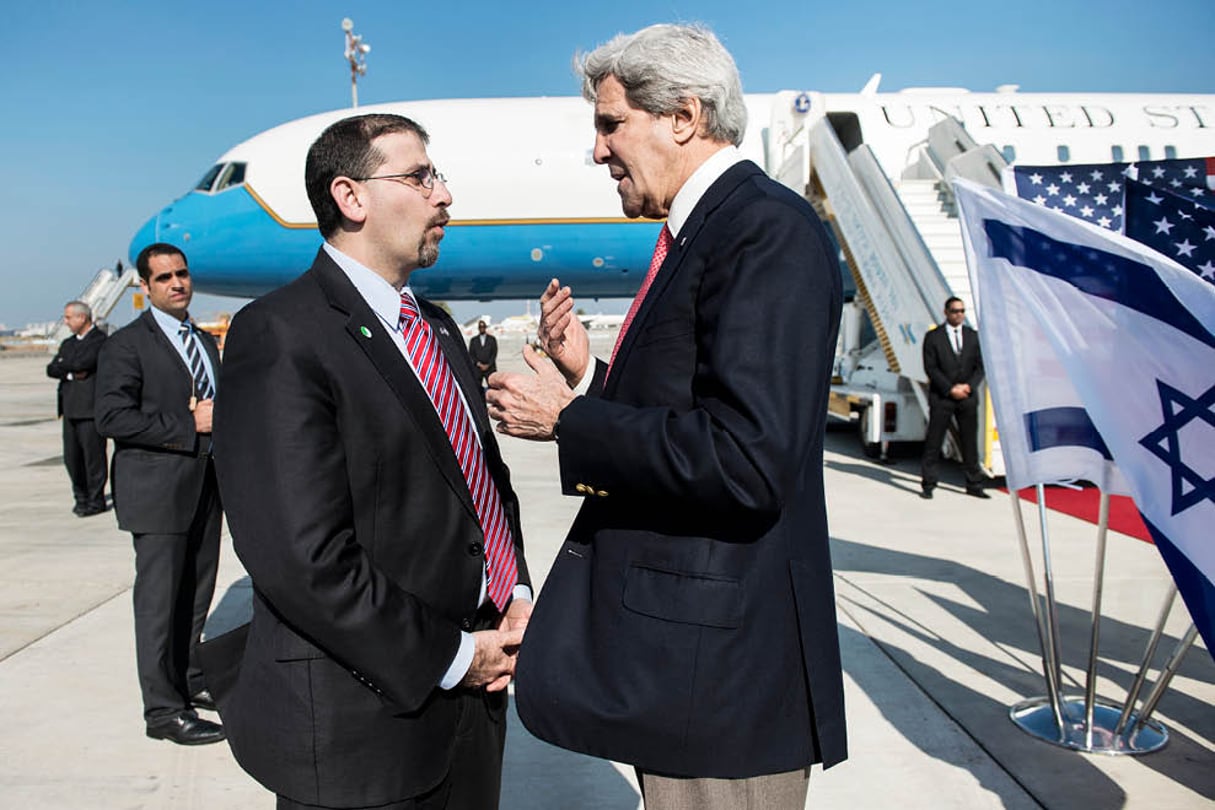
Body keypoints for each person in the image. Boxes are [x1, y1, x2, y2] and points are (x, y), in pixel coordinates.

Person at [486, 23, 846, 810]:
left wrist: (569, 423)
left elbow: (746, 460)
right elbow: (696, 407)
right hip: (690, 667)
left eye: (610, 123)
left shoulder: (763, 231)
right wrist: (590, 378)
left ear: (683, 116)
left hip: (722, 680)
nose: (597, 150)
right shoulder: (708, 231)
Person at [212, 113, 531, 810]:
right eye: (419, 176)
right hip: (361, 727)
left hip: (472, 712)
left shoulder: (438, 328)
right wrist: (454, 658)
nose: (443, 194)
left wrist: (514, 597)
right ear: (351, 197)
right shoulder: (281, 333)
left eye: (437, 176)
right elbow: (302, 558)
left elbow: (485, 489)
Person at [95, 243, 225, 745]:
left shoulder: (204, 341)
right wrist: (186, 424)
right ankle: (163, 711)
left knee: (195, 596)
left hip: (205, 489)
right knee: (157, 606)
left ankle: (190, 679)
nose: (177, 283)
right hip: (156, 493)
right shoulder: (127, 345)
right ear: (145, 287)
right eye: (164, 277)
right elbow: (111, 417)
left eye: (182, 274)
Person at [920, 296, 989, 499]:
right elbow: (930, 368)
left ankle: (974, 484)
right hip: (942, 397)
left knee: (969, 442)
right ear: (946, 312)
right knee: (934, 441)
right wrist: (950, 389)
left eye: (962, 311)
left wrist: (968, 386)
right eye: (954, 311)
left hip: (966, 397)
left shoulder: (973, 336)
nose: (959, 314)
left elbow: (980, 366)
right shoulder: (933, 337)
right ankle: (929, 483)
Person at [46, 300, 108, 516]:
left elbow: (85, 362)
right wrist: (70, 371)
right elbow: (52, 368)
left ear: (82, 318)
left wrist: (67, 367)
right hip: (70, 409)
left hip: (89, 410)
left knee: (93, 458)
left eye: (68, 317)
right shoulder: (68, 343)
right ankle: (80, 497)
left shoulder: (99, 340)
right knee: (72, 458)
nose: (66, 321)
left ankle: (96, 499)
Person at [467, 319, 498, 388]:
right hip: (477, 368)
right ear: (478, 328)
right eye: (480, 327)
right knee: (476, 388)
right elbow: (471, 354)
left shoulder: (492, 339)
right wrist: (479, 364)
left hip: (490, 368)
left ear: (485, 328)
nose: (482, 328)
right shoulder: (473, 340)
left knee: (493, 386)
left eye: (483, 327)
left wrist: (488, 365)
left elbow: (494, 353)